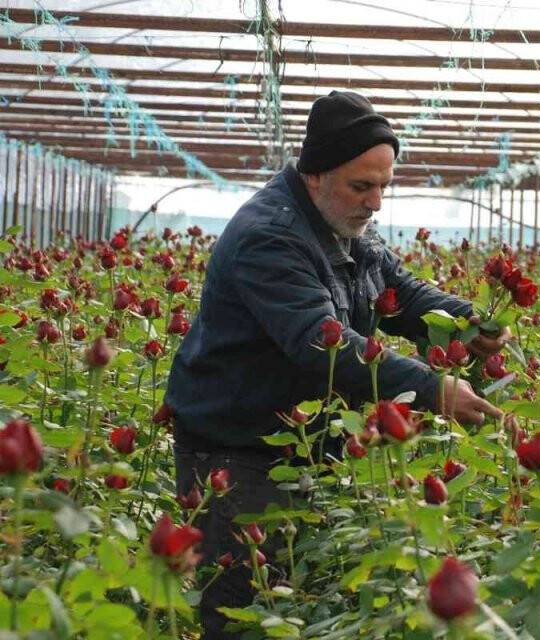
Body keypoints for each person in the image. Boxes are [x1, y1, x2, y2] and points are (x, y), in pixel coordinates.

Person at [164, 90, 503, 638]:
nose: (374, 203)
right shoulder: (271, 235)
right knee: (243, 610)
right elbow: (324, 344)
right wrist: (435, 389)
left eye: (383, 187)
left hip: (302, 440)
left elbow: (399, 288)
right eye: (361, 186)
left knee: (293, 594)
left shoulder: (337, 223)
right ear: (316, 175)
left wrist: (470, 322)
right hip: (237, 448)